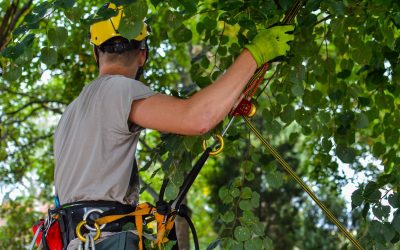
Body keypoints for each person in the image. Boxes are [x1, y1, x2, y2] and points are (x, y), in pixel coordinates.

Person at [53, 2, 294, 249]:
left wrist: (225, 101)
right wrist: (254, 55)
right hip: (102, 241)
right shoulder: (118, 89)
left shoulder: (71, 113)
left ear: (96, 52)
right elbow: (197, 118)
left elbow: (188, 117)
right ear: (143, 54)